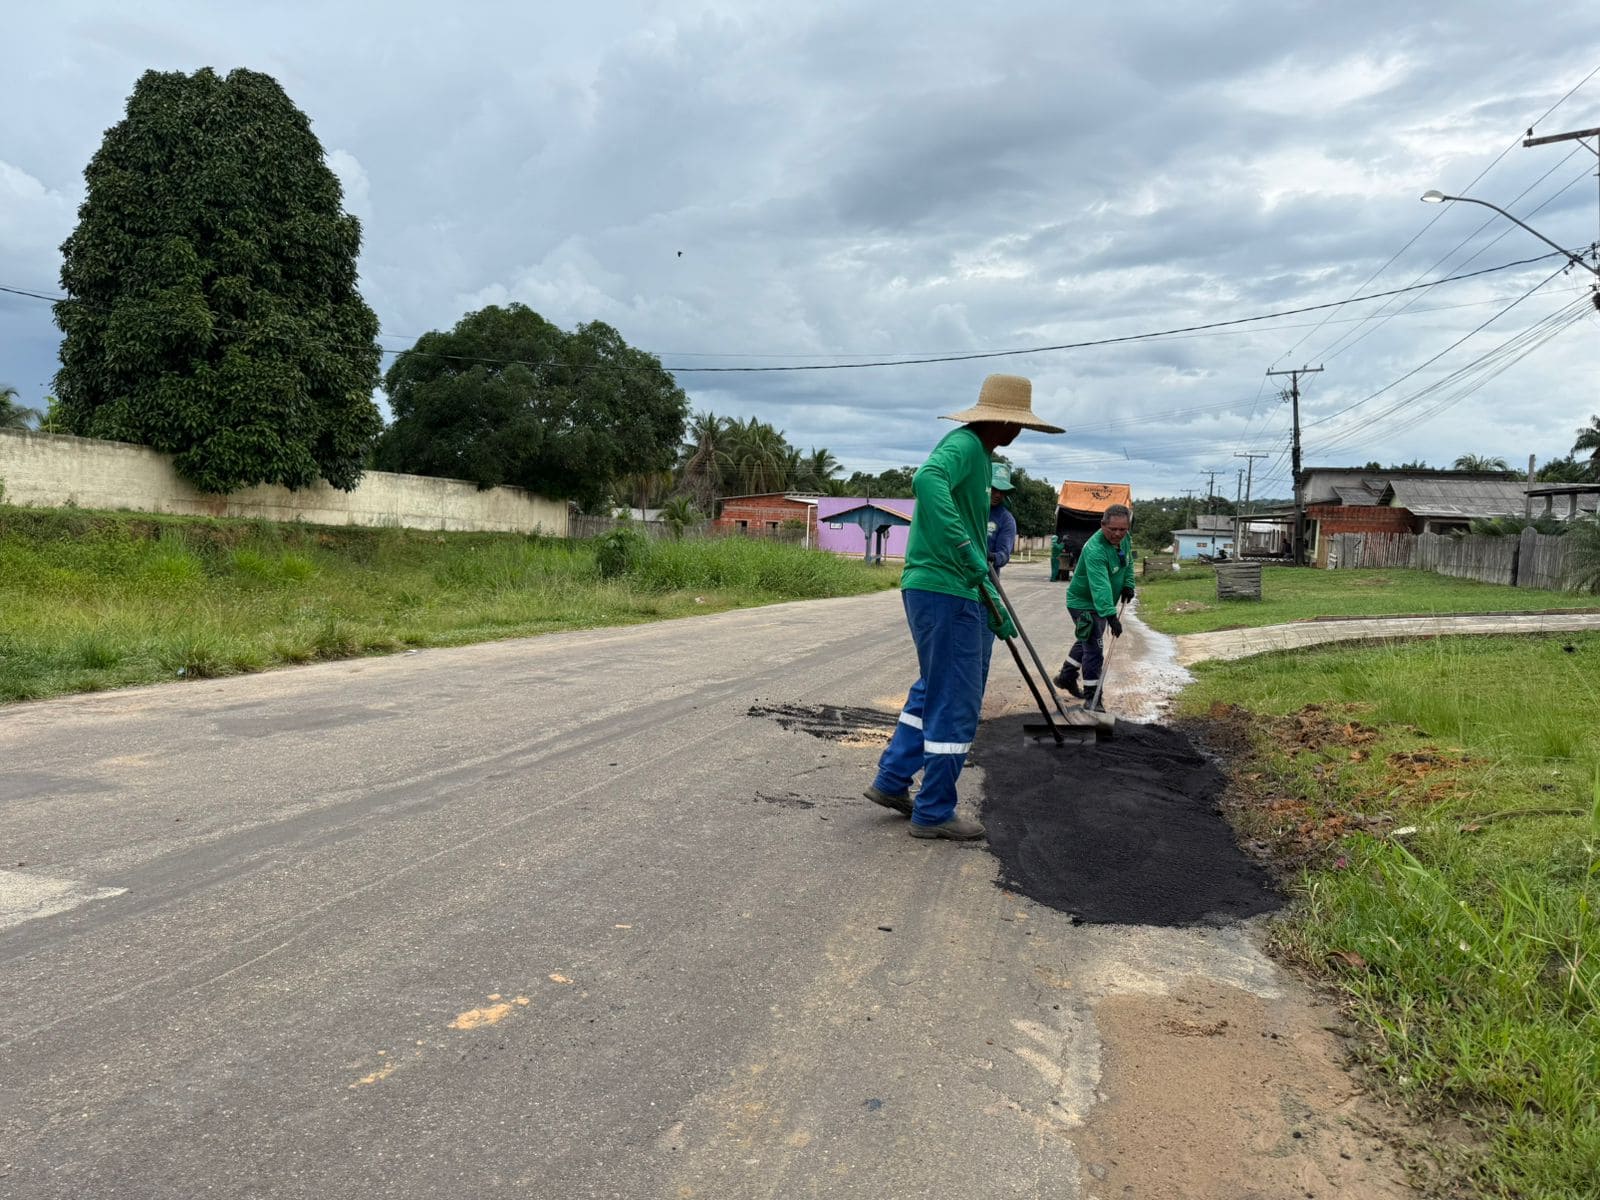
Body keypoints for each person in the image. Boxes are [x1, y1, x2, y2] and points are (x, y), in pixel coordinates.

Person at [865, 375, 1064, 840]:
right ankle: (934, 812)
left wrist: (991, 601)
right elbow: (926, 479)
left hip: (953, 590)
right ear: (1003, 422)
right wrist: (964, 547)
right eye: (1015, 425)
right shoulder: (966, 447)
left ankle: (892, 781)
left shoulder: (979, 455)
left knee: (933, 688)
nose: (1016, 433)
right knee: (957, 701)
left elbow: (973, 536)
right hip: (946, 588)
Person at [1054, 504, 1134, 710]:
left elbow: (1129, 563)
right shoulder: (1095, 549)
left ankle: (1066, 676)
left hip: (1101, 603)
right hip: (1082, 603)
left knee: (1088, 638)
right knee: (1094, 648)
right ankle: (1093, 698)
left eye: (1122, 529)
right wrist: (1111, 615)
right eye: (1112, 529)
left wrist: (1128, 585)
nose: (1117, 534)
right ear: (1102, 525)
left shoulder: (1125, 540)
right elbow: (1100, 586)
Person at [979, 462, 1018, 684]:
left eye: (1002, 491)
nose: (997, 494)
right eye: (993, 488)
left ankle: (973, 708)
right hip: (960, 587)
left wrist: (993, 557)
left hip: (987, 590)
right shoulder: (969, 508)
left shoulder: (1005, 519)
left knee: (982, 654)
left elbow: (1005, 552)